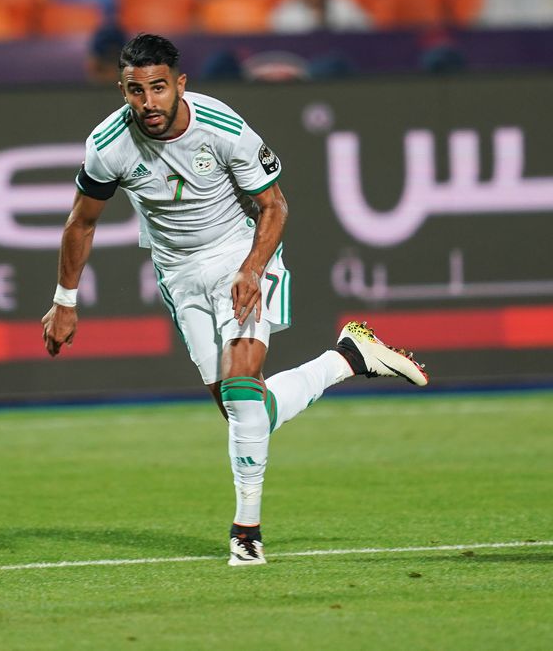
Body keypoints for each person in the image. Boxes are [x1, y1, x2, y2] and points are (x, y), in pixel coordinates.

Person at [41, 34, 428, 567]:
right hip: (177, 273)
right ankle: (348, 358)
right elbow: (80, 222)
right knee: (243, 412)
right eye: (135, 91)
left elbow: (274, 205)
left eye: (158, 88)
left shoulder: (221, 127)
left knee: (244, 390)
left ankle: (246, 532)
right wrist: (65, 300)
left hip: (239, 256)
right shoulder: (108, 144)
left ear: (180, 84)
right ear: (122, 89)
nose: (147, 102)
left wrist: (250, 268)